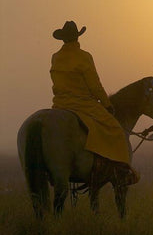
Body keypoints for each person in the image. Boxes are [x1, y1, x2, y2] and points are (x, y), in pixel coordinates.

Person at [50, 20, 139, 187]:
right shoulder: (84, 57)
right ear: (77, 38)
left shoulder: (55, 57)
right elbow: (94, 85)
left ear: (63, 39)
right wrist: (107, 104)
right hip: (83, 104)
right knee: (115, 129)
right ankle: (121, 171)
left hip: (60, 104)